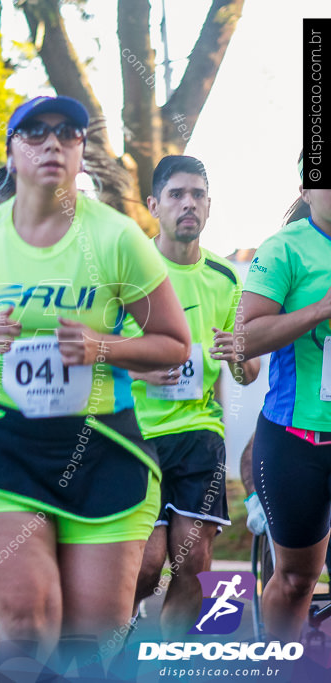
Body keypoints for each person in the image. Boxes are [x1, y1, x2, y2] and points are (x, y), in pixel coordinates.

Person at [0, 96, 191, 674]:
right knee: (28, 618)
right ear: (12, 153)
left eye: (68, 133)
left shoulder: (117, 239)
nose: (52, 144)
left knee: (90, 644)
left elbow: (173, 342)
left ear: (82, 154)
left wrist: (101, 348)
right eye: (34, 133)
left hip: (101, 448)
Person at [128, 156, 260, 638]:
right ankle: (121, 619)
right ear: (153, 206)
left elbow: (246, 372)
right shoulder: (127, 269)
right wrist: (141, 369)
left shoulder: (226, 279)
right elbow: (92, 353)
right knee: (146, 563)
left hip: (199, 432)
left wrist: (238, 356)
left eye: (198, 195)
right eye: (177, 195)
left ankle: (168, 661)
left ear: (209, 206)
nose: (189, 204)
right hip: (133, 433)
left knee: (195, 561)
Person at [236, 160, 331, 642]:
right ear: (306, 188)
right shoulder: (285, 249)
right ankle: (278, 668)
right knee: (296, 579)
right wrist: (320, 310)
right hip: (298, 439)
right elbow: (244, 339)